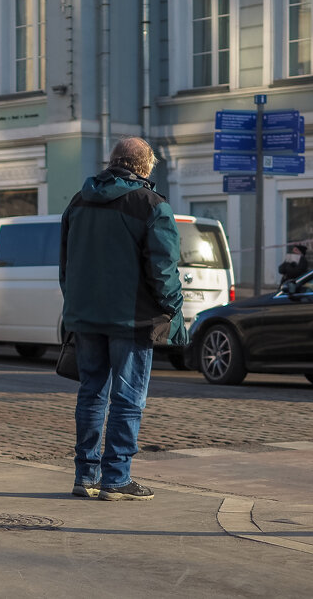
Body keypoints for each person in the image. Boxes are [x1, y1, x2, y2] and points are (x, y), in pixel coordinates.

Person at [59, 137, 187, 502]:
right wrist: (174, 308)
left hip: (85, 317)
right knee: (128, 399)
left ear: (113, 162)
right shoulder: (152, 206)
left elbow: (65, 265)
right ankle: (116, 478)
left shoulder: (78, 200)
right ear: (145, 168)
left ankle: (85, 476)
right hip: (131, 320)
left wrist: (76, 305)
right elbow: (164, 272)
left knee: (91, 394)